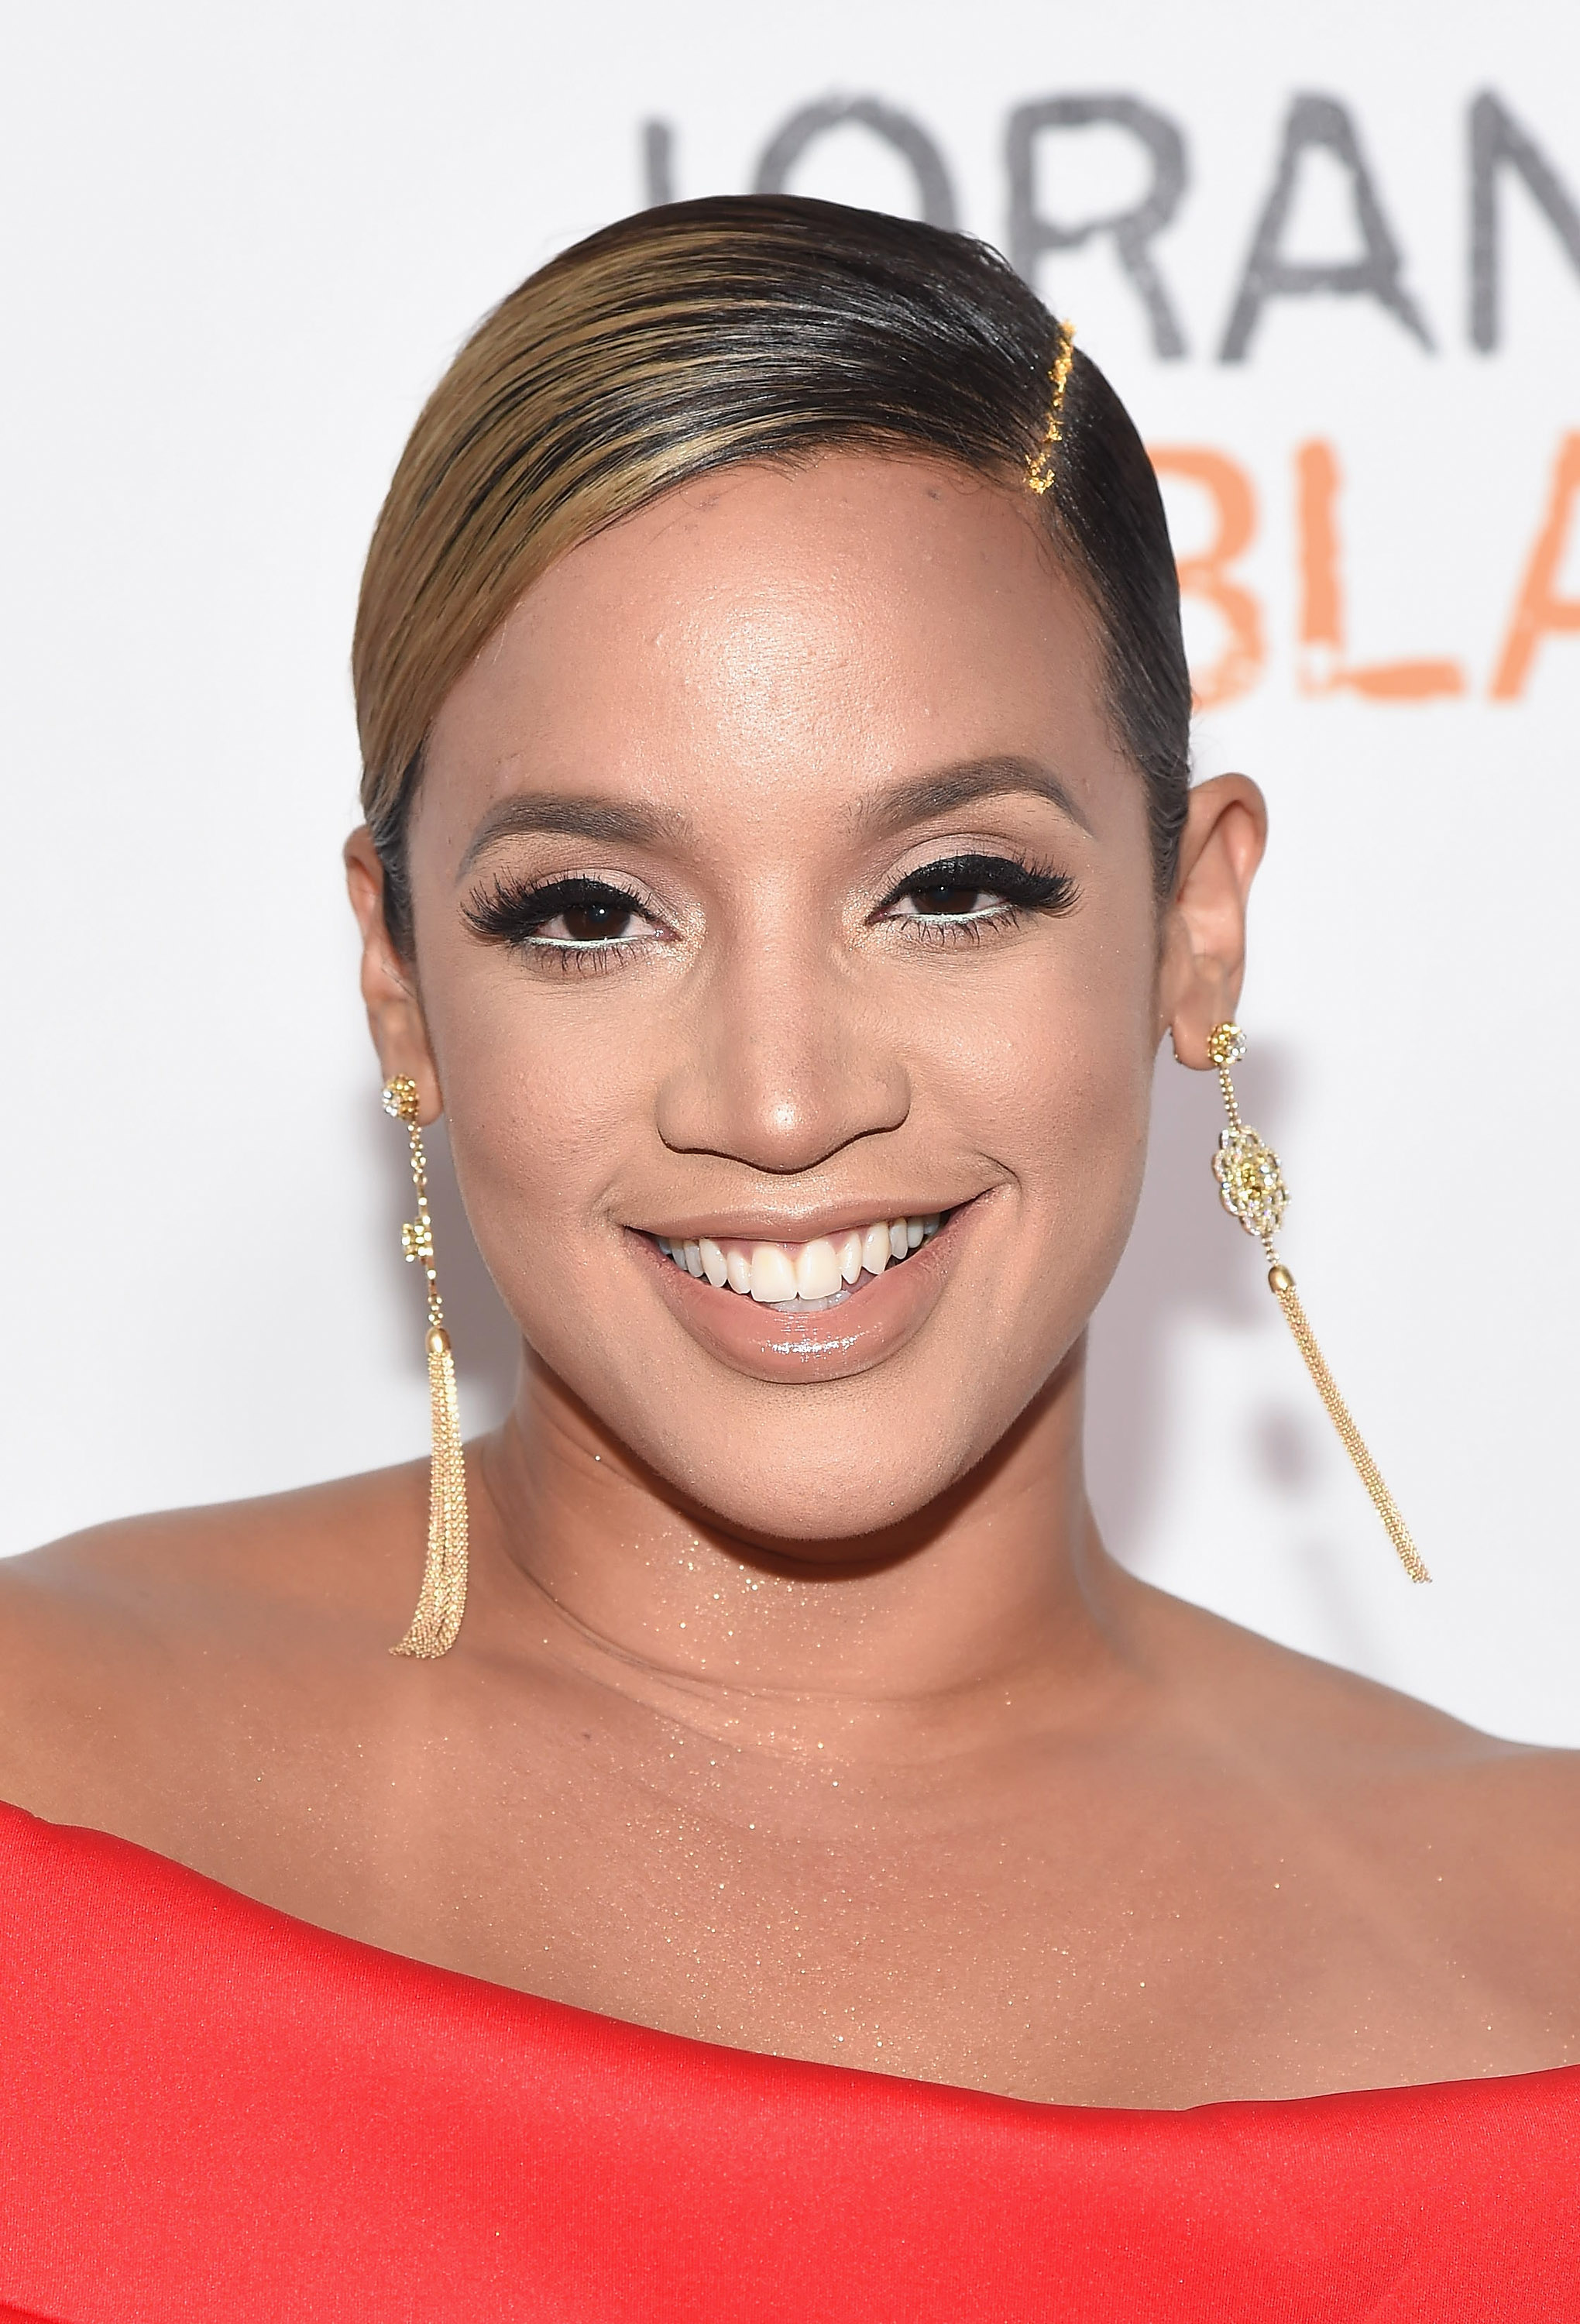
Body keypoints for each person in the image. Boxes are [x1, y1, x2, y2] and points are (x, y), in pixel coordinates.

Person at [1, 195, 1575, 2321]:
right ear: (397, 983)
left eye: (948, 886)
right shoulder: (44, 1785)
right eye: (588, 912)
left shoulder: (1531, 1979)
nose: (774, 1098)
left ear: (1196, 925)